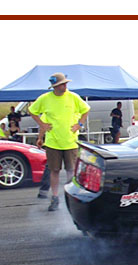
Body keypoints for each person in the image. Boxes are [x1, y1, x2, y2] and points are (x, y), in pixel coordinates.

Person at [28, 72, 90, 211]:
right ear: (55, 86)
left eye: (65, 83)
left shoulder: (73, 97)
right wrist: (42, 127)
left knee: (71, 170)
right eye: (62, 84)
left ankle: (69, 197)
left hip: (70, 141)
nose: (65, 86)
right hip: (52, 142)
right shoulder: (45, 99)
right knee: (54, 170)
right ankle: (55, 197)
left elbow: (86, 109)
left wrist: (79, 125)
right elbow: (32, 111)